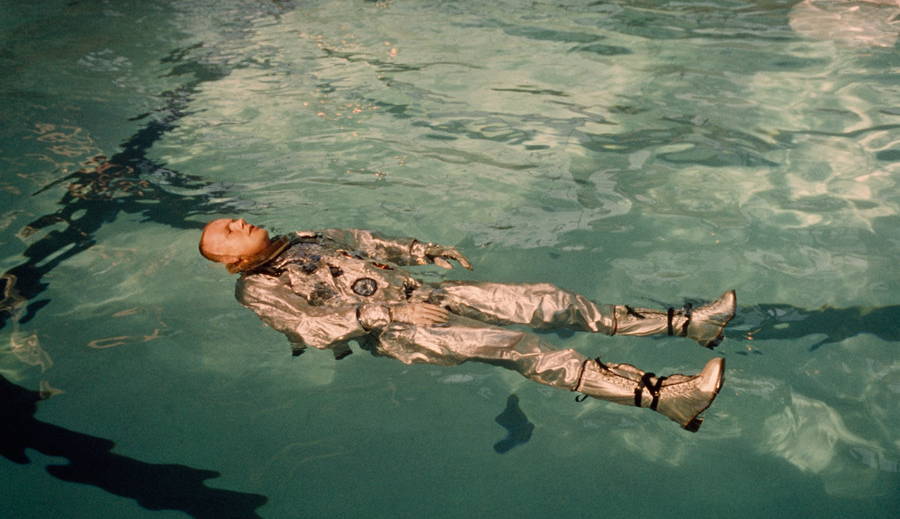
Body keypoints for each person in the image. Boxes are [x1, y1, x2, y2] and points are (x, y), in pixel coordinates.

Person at [199, 218, 736, 432]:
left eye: (230, 219)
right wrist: (390, 313)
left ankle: (688, 325)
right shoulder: (257, 287)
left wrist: (420, 250)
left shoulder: (307, 234)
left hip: (430, 294)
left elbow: (366, 243)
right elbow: (313, 331)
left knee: (550, 301)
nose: (235, 222)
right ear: (231, 260)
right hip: (402, 331)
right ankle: (667, 397)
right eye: (225, 232)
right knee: (522, 346)